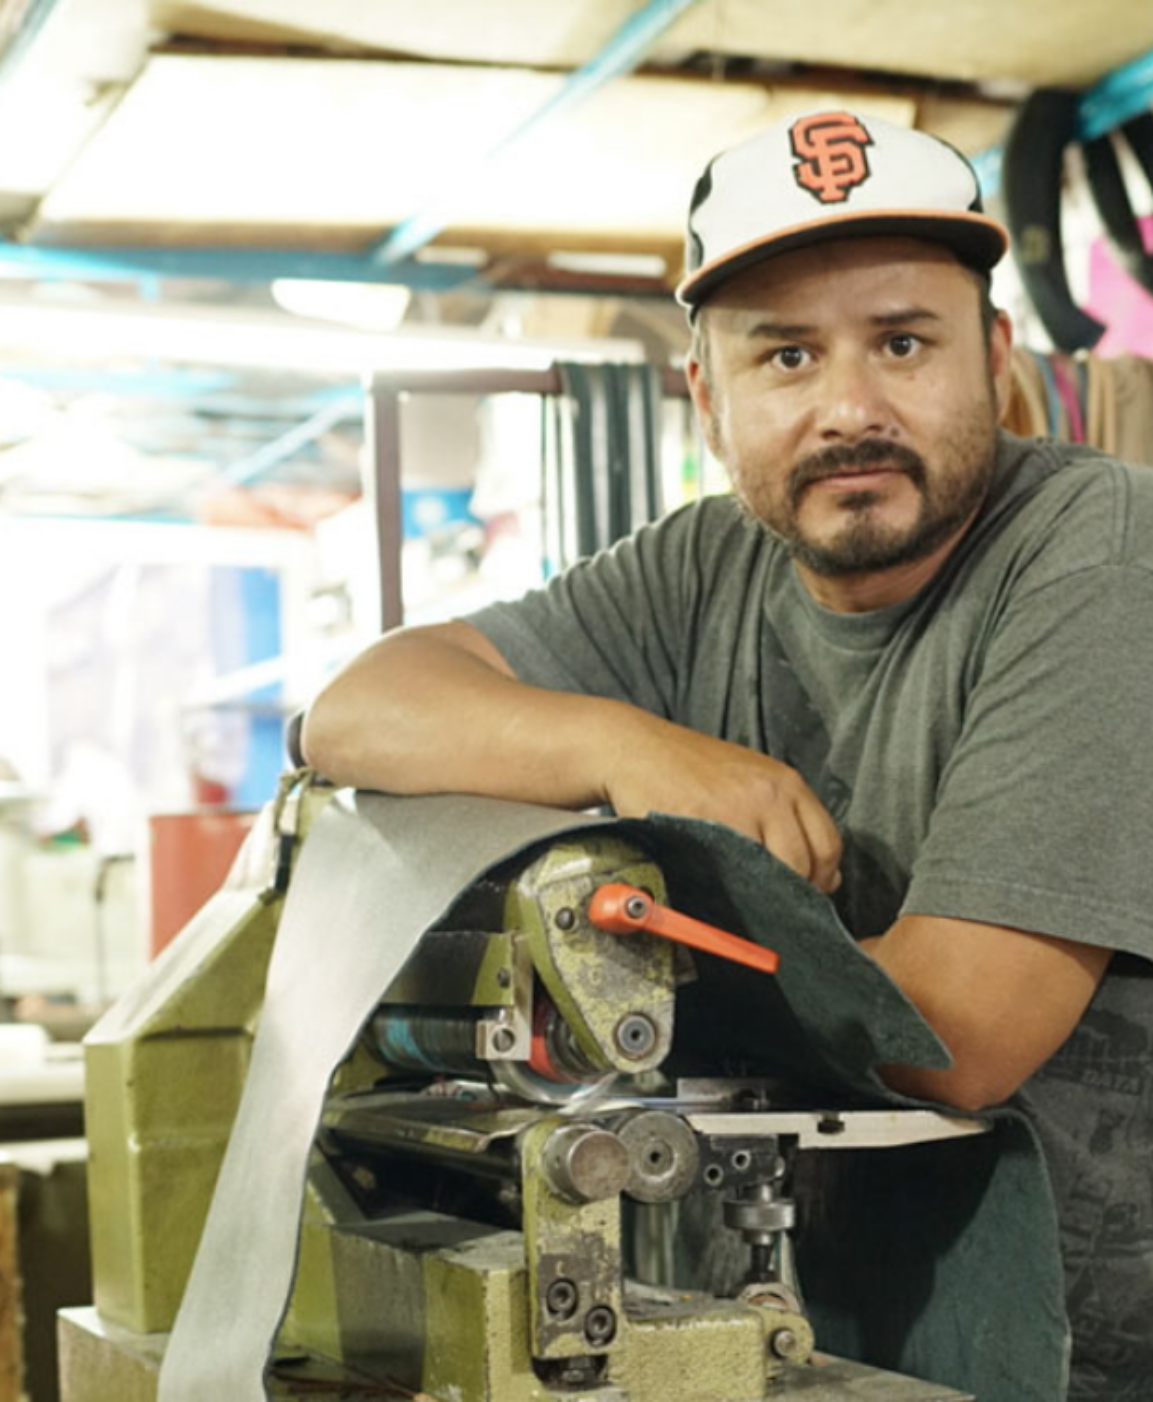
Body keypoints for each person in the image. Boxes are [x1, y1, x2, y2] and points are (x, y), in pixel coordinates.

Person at [301, 109, 1153, 1400]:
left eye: (905, 343)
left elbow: (955, 1031)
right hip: (822, 1319)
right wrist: (627, 745)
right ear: (708, 393)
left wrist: (642, 957)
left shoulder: (1099, 552)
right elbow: (357, 710)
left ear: (997, 357)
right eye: (786, 356)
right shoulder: (705, 570)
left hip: (1086, 1346)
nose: (849, 407)